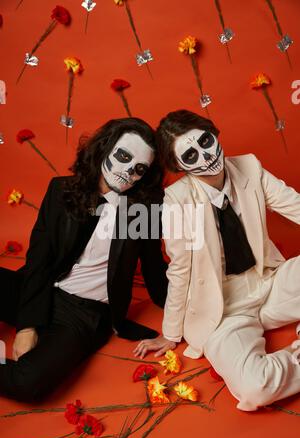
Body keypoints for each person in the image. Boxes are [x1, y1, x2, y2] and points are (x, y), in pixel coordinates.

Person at [133, 109, 300, 412]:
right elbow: (180, 269)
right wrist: (171, 333)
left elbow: (295, 205)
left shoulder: (249, 167)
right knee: (255, 387)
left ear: (214, 132)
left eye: (206, 141)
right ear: (179, 167)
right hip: (223, 311)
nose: (206, 156)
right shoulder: (177, 201)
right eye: (191, 155)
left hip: (270, 282)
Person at [0, 117, 168, 402]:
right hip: (39, 287)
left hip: (83, 314)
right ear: (104, 149)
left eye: (139, 169)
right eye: (124, 157)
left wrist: (183, 325)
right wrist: (28, 326)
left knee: (29, 383)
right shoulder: (61, 190)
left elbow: (154, 271)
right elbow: (39, 259)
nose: (128, 171)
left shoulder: (143, 209)